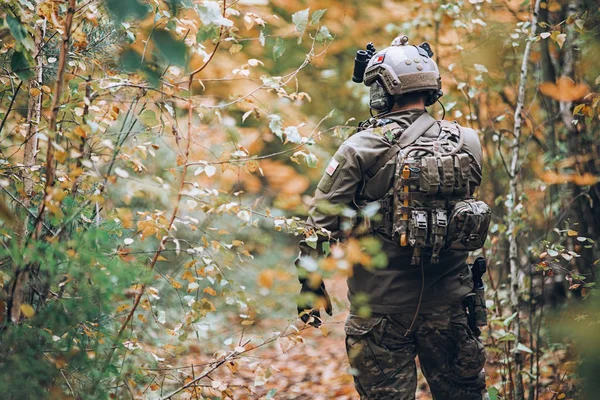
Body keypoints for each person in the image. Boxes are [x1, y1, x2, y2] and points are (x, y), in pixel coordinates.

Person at [295, 36, 489, 400]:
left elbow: (320, 223)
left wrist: (310, 283)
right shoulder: (468, 140)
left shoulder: (361, 146)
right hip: (452, 305)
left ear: (383, 91)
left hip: (379, 312)